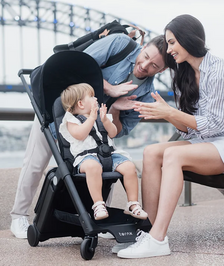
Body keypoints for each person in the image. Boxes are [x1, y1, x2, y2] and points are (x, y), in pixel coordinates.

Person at [116, 14, 224, 259]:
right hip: (207, 141)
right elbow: (189, 130)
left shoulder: (219, 70)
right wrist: (167, 114)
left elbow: (214, 126)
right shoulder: (184, 74)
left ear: (188, 40)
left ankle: (158, 239)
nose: (168, 50)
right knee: (151, 152)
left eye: (171, 43)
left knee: (173, 155)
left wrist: (169, 111)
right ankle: (147, 231)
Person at [10, 33, 169, 238]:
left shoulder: (147, 94)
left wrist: (116, 110)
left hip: (93, 136)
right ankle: (18, 216)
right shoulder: (120, 44)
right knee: (35, 162)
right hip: (59, 111)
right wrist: (110, 89)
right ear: (144, 45)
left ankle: (99, 217)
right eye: (146, 55)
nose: (145, 65)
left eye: (154, 65)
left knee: (106, 158)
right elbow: (76, 66)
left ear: (163, 69)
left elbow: (120, 131)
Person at [59, 83, 147, 221]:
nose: (96, 99)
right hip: (87, 157)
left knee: (129, 167)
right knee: (93, 167)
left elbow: (113, 133)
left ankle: (133, 204)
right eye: (92, 97)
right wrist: (91, 119)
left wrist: (105, 120)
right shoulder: (71, 120)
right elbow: (80, 135)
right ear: (81, 104)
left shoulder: (102, 116)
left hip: (109, 154)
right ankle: (99, 204)